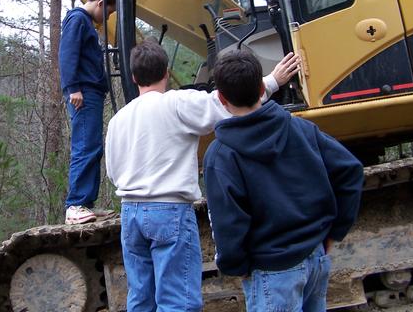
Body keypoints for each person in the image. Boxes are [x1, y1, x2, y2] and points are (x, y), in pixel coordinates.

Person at [104, 39, 300, 311]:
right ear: (165, 72)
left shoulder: (118, 120)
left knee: (140, 298)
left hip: (130, 214)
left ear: (134, 77)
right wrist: (272, 81)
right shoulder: (177, 103)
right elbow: (229, 102)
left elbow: (113, 172)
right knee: (178, 301)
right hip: (169, 210)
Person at [203, 50, 364, 312]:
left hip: (271, 271)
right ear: (261, 87)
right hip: (315, 257)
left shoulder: (221, 156)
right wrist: (335, 232)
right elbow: (351, 171)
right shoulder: (301, 129)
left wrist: (237, 267)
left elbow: (227, 222)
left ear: (221, 98)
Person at [59, 0, 117, 225]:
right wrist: (73, 88)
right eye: (109, 12)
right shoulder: (78, 20)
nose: (107, 18)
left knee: (93, 147)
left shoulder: (86, 24)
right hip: (82, 93)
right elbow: (67, 54)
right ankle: (75, 205)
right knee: (84, 147)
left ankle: (86, 203)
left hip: (91, 93)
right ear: (101, 3)